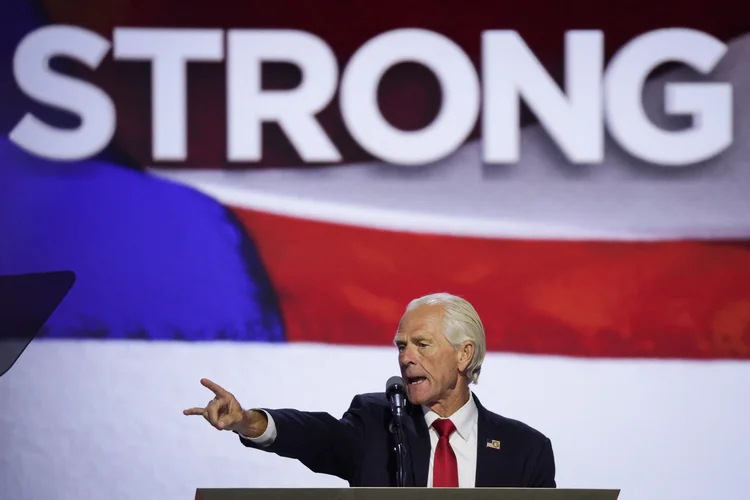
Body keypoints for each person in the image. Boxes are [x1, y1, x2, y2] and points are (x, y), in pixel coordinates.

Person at [184, 293, 556, 487]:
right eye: (400, 346)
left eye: (422, 344)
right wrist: (249, 422)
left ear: (464, 354)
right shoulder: (376, 424)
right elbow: (318, 435)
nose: (406, 358)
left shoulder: (526, 450)